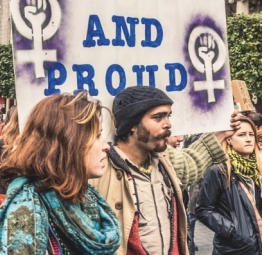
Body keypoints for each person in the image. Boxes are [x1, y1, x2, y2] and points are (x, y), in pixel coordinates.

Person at [90, 86, 238, 255]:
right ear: (132, 125)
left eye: (168, 116)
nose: (168, 124)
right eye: (158, 117)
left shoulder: (164, 160)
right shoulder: (100, 169)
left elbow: (191, 163)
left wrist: (221, 133)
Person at [0, 92, 120, 254]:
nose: (106, 146)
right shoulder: (16, 222)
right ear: (68, 143)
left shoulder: (88, 200)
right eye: (96, 136)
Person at [196, 117, 262, 255]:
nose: (249, 139)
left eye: (251, 134)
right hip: (234, 248)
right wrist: (233, 231)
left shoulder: (258, 169)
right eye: (242, 135)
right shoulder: (220, 170)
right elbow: (203, 209)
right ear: (229, 140)